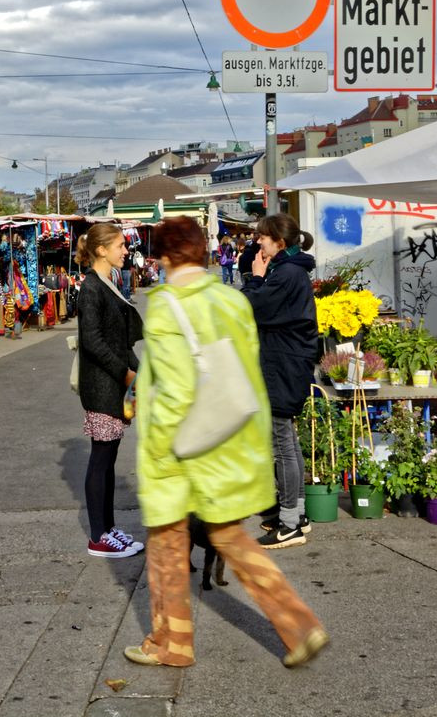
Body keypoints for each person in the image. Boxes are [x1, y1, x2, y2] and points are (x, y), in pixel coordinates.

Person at [124, 216, 328, 669]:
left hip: (182, 452)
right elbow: (248, 371)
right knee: (233, 538)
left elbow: (173, 392)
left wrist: (157, 455)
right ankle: (299, 626)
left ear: (162, 257)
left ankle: (170, 644)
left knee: (167, 547)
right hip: (230, 442)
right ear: (202, 252)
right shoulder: (231, 298)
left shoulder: (167, 306)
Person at [241, 214, 319, 549]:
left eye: (262, 237)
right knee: (287, 440)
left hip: (283, 365)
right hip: (287, 362)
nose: (258, 242)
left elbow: (252, 307)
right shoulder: (290, 270)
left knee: (282, 443)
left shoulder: (285, 274)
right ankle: (296, 515)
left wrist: (256, 280)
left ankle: (289, 523)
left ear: (280, 242)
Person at [75, 223, 145, 560]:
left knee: (111, 458)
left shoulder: (108, 282)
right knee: (101, 459)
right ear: (101, 250)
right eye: (119, 245)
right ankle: (98, 536)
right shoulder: (90, 287)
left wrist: (136, 372)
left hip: (118, 384)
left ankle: (108, 527)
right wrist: (126, 372)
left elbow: (120, 338)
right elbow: (93, 342)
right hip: (102, 386)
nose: (125, 250)